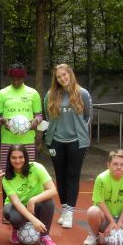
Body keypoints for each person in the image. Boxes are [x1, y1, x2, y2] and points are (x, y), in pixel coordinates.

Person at [44, 64, 92, 229]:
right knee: (60, 176)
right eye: (59, 76)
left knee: (73, 175)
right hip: (56, 141)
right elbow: (47, 117)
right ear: (55, 79)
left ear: (70, 74)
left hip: (77, 141)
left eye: (65, 75)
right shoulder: (50, 94)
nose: (62, 78)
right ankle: (64, 208)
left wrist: (79, 132)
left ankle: (70, 212)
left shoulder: (82, 93)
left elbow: (87, 117)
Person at [0, 63, 42, 224]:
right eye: (14, 78)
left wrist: (33, 123)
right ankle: (6, 211)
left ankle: (28, 209)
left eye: (19, 78)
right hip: (7, 141)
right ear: (10, 78)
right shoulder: (2, 93)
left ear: (24, 77)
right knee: (7, 175)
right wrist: (3, 121)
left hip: (27, 141)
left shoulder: (33, 93)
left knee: (28, 174)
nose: (16, 81)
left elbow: (39, 115)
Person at [2, 144, 58, 245]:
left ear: (26, 157)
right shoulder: (6, 178)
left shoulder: (37, 168)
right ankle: (16, 228)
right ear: (9, 159)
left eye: (20, 157)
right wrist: (33, 220)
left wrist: (33, 200)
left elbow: (53, 190)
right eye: (13, 157)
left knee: (49, 202)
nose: (17, 161)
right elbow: (16, 203)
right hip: (15, 206)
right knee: (15, 218)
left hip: (35, 204)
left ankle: (44, 236)